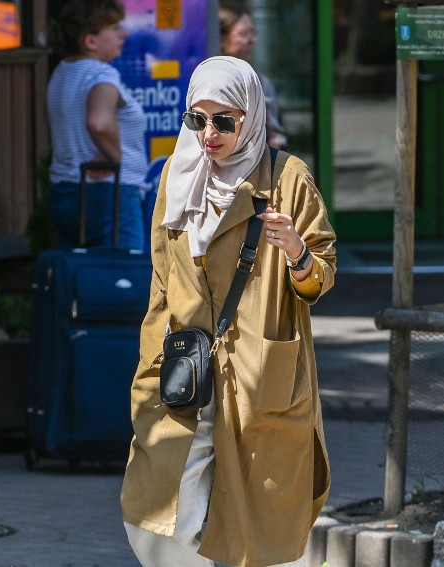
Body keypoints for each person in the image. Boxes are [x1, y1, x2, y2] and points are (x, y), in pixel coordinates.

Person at [120, 56, 336, 567]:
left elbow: (321, 278)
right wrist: (150, 368)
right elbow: (161, 280)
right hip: (184, 370)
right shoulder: (177, 173)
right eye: (197, 119)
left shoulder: (287, 178)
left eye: (224, 120)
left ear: (251, 117)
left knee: (265, 523)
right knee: (151, 515)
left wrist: (297, 251)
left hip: (260, 373)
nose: (208, 133)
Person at [46, 0, 146, 250]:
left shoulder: (62, 71)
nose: (123, 34)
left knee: (85, 279)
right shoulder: (100, 74)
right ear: (90, 41)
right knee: (121, 279)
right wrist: (114, 156)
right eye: (113, 28)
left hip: (65, 191)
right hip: (109, 195)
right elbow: (99, 122)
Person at [218, 1, 288, 150]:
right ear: (221, 39)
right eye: (243, 34)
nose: (251, 40)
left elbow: (276, 133)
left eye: (252, 33)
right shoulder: (206, 80)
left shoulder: (261, 82)